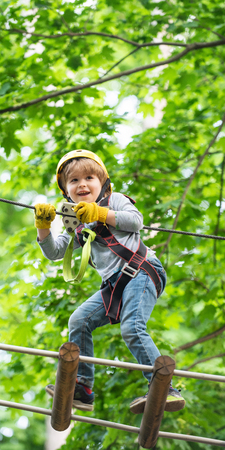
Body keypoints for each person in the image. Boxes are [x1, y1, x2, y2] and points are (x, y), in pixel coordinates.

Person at [34, 149, 185, 414]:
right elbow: (56, 252)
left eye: (90, 177)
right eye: (74, 181)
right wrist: (43, 227)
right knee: (79, 321)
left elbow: (136, 221)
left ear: (103, 183)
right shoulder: (73, 216)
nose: (82, 184)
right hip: (114, 284)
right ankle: (82, 388)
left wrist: (101, 214)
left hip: (141, 270)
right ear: (65, 191)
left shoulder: (115, 200)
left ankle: (165, 388)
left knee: (132, 327)